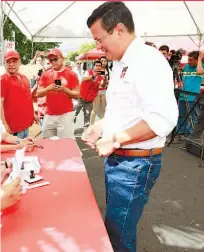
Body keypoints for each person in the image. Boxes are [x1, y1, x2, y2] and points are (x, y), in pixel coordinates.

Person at [84, 2, 178, 251]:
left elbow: (163, 119)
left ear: (119, 29)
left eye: (99, 39)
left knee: (118, 236)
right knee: (116, 229)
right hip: (122, 161)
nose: (98, 46)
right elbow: (124, 111)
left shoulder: (147, 60)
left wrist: (115, 139)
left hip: (134, 165)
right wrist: (101, 127)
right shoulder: (122, 62)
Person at [36, 48, 79, 139]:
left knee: (65, 145)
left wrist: (65, 90)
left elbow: (77, 94)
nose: (52, 62)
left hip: (65, 115)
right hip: (49, 114)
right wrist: (48, 88)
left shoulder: (71, 74)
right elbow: (38, 93)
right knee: (47, 143)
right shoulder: (45, 74)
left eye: (55, 59)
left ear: (62, 59)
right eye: (50, 60)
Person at [1, 50, 39, 139]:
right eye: (8, 62)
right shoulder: (3, 80)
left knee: (25, 150)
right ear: (4, 64)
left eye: (14, 61)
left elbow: (27, 99)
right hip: (13, 129)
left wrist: (33, 114)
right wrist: (4, 124)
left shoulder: (24, 77)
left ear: (19, 62)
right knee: (17, 152)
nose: (11, 64)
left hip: (25, 126)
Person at [73, 61, 104, 135]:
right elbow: (83, 79)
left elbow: (101, 86)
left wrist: (105, 80)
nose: (98, 67)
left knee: (87, 115)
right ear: (93, 66)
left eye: (99, 66)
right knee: (76, 111)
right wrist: (93, 76)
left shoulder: (100, 77)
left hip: (90, 100)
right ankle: (72, 120)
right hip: (81, 96)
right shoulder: (88, 72)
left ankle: (85, 131)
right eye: (96, 65)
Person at [90, 56, 108, 125]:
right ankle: (91, 126)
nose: (103, 62)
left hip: (104, 92)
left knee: (104, 109)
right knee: (95, 110)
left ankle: (103, 125)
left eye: (105, 61)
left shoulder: (108, 70)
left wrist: (106, 80)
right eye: (102, 61)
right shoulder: (96, 70)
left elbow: (106, 82)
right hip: (96, 92)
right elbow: (93, 80)